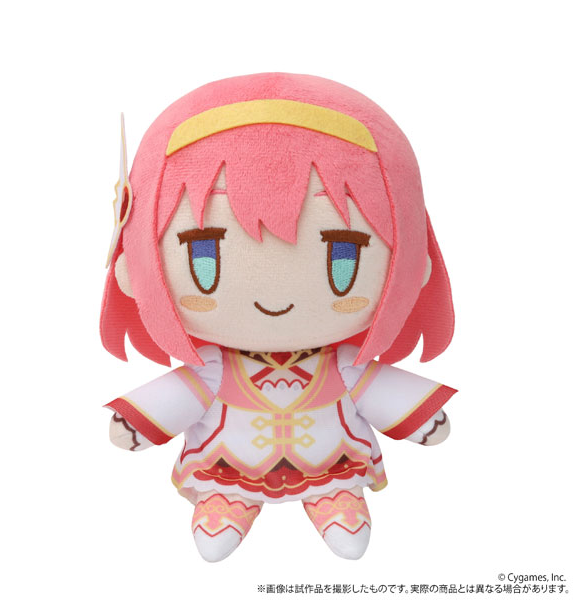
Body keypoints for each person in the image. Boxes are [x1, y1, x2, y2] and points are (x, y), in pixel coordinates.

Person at [101, 72, 457, 562]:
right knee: (226, 496)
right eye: (205, 257)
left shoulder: (343, 364)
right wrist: (142, 421)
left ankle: (335, 499)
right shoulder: (214, 368)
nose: (273, 294)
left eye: (343, 257)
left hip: (332, 465)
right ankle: (228, 502)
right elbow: (180, 395)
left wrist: (417, 416)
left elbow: (379, 388)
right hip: (228, 468)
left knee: (339, 499)